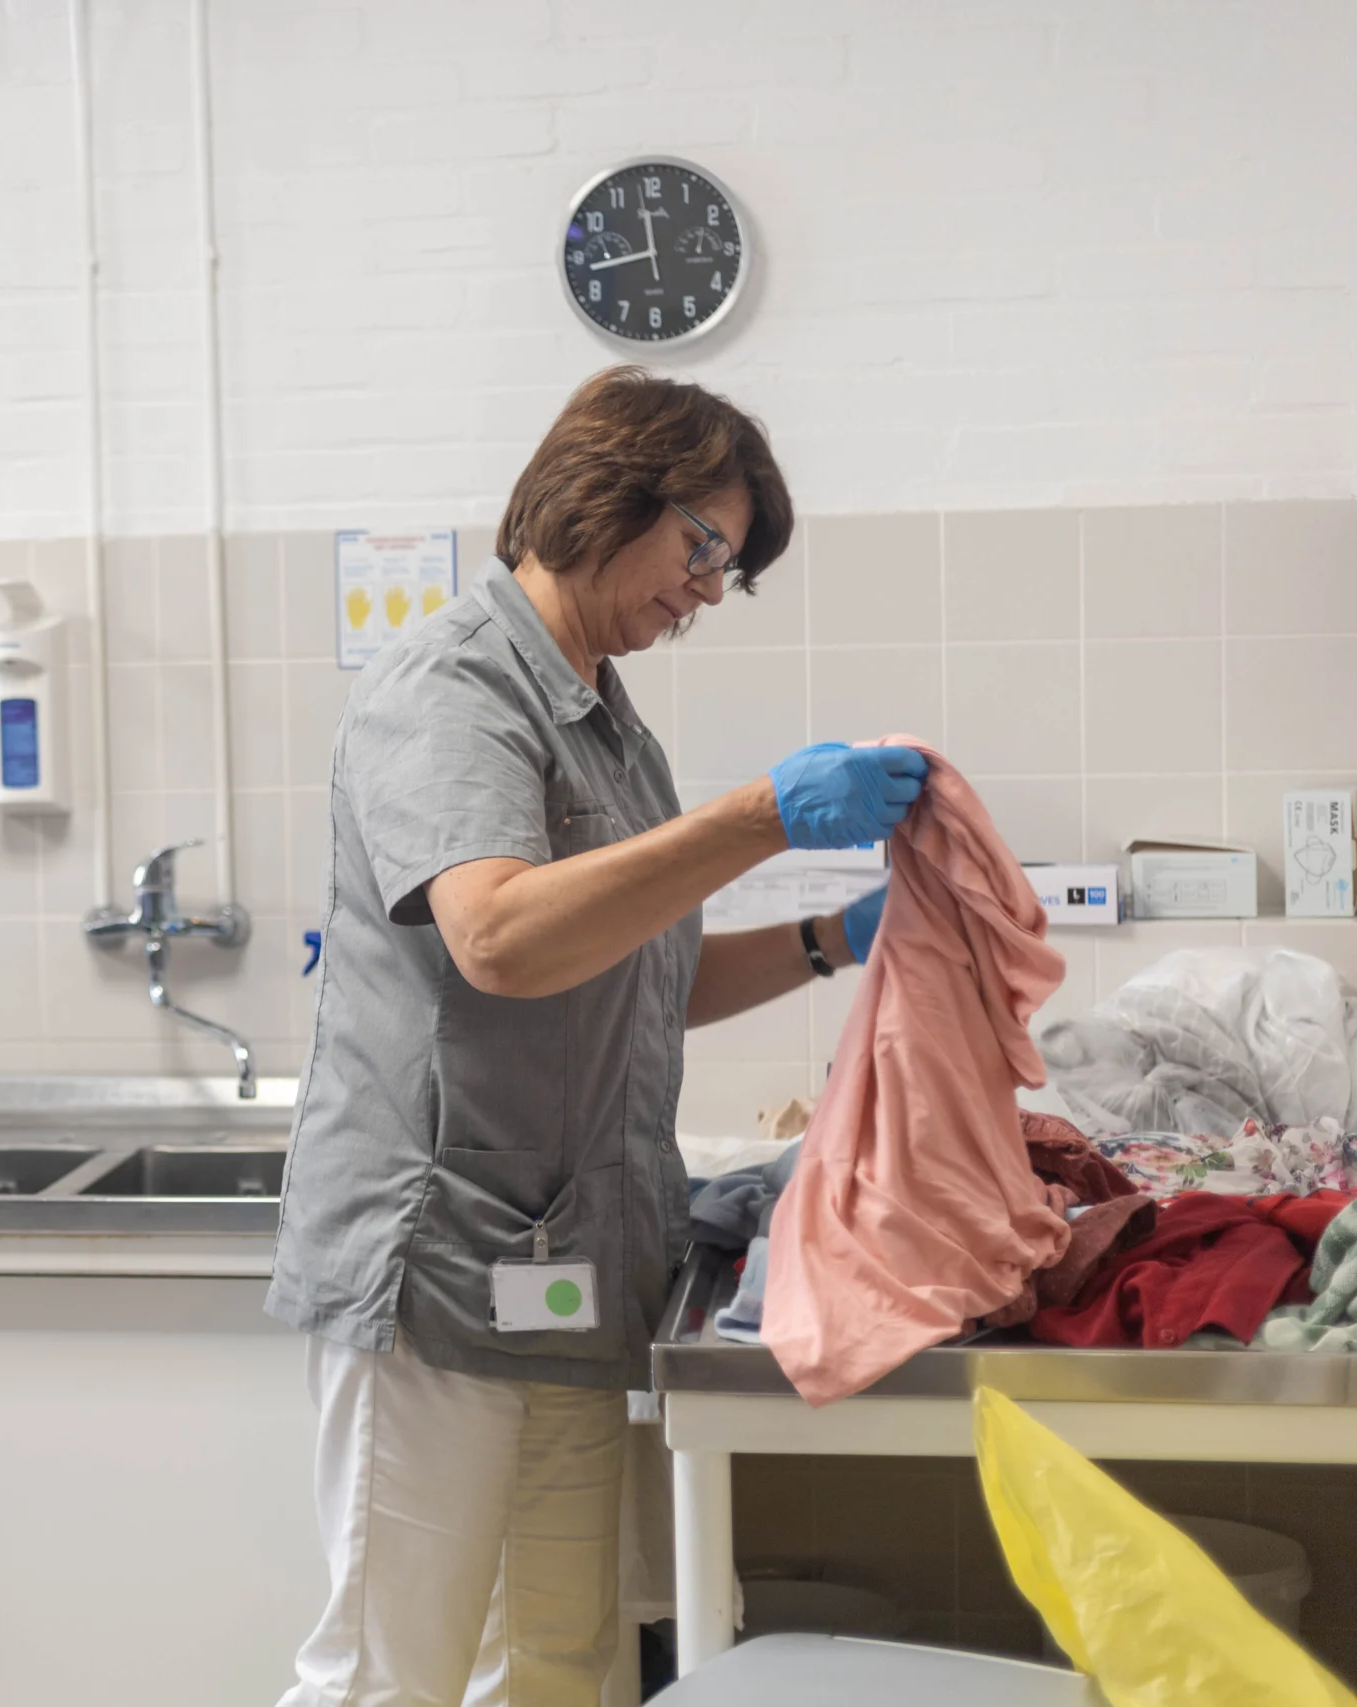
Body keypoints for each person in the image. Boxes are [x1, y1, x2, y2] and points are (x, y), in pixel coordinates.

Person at [267, 366, 924, 1707]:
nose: (705, 590)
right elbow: (502, 936)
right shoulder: (453, 687)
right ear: (604, 492)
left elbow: (639, 975)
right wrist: (759, 818)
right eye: (702, 546)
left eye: (724, 567)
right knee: (393, 1675)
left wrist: (842, 938)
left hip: (566, 1273)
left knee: (563, 1663)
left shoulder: (607, 724)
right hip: (442, 1268)